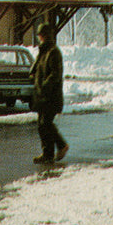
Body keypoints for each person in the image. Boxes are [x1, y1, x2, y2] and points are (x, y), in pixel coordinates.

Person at [29, 23, 68, 164]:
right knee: (42, 125)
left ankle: (62, 145)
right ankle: (48, 153)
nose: (39, 37)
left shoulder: (53, 52)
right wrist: (34, 75)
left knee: (46, 123)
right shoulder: (43, 51)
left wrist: (45, 86)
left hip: (51, 96)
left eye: (41, 35)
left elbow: (55, 74)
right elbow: (38, 68)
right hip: (42, 95)